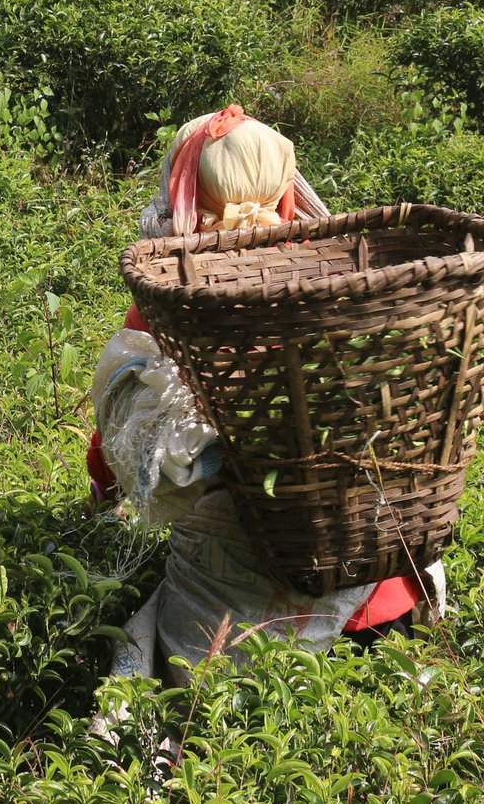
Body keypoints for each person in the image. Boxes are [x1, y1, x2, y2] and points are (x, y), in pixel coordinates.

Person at [88, 105, 446, 688]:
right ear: (285, 188)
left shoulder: (170, 304)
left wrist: (103, 487)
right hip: (382, 593)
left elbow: (125, 439)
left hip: (244, 605)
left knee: (190, 705)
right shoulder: (343, 284)